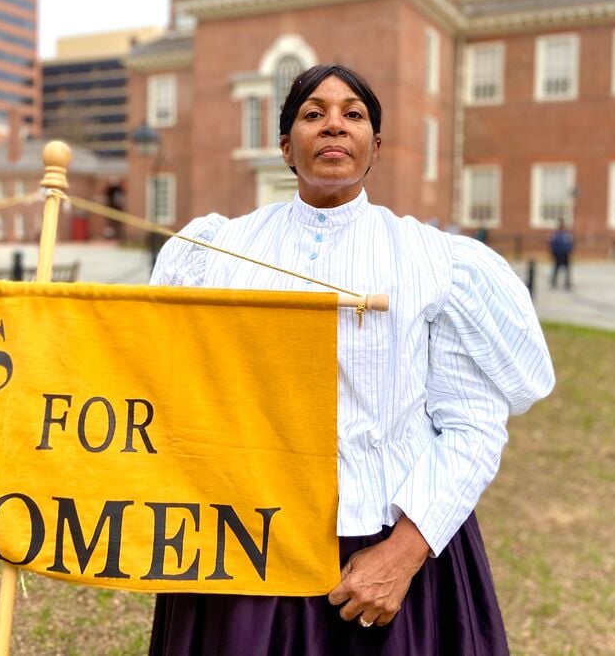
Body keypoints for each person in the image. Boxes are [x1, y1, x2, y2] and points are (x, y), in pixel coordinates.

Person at [148, 64, 555, 655]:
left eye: (353, 114)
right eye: (313, 113)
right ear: (286, 145)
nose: (333, 124)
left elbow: (473, 422)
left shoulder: (433, 260)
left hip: (391, 546)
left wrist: (405, 552)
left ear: (375, 146)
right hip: (247, 544)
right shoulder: (215, 253)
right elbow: (161, 384)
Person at [549, 219, 575, 290]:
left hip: (565, 254)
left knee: (567, 269)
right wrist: (554, 253)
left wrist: (569, 251)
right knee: (556, 269)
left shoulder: (567, 234)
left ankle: (567, 283)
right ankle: (553, 282)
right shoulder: (555, 234)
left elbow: (571, 243)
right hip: (558, 254)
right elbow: (552, 244)